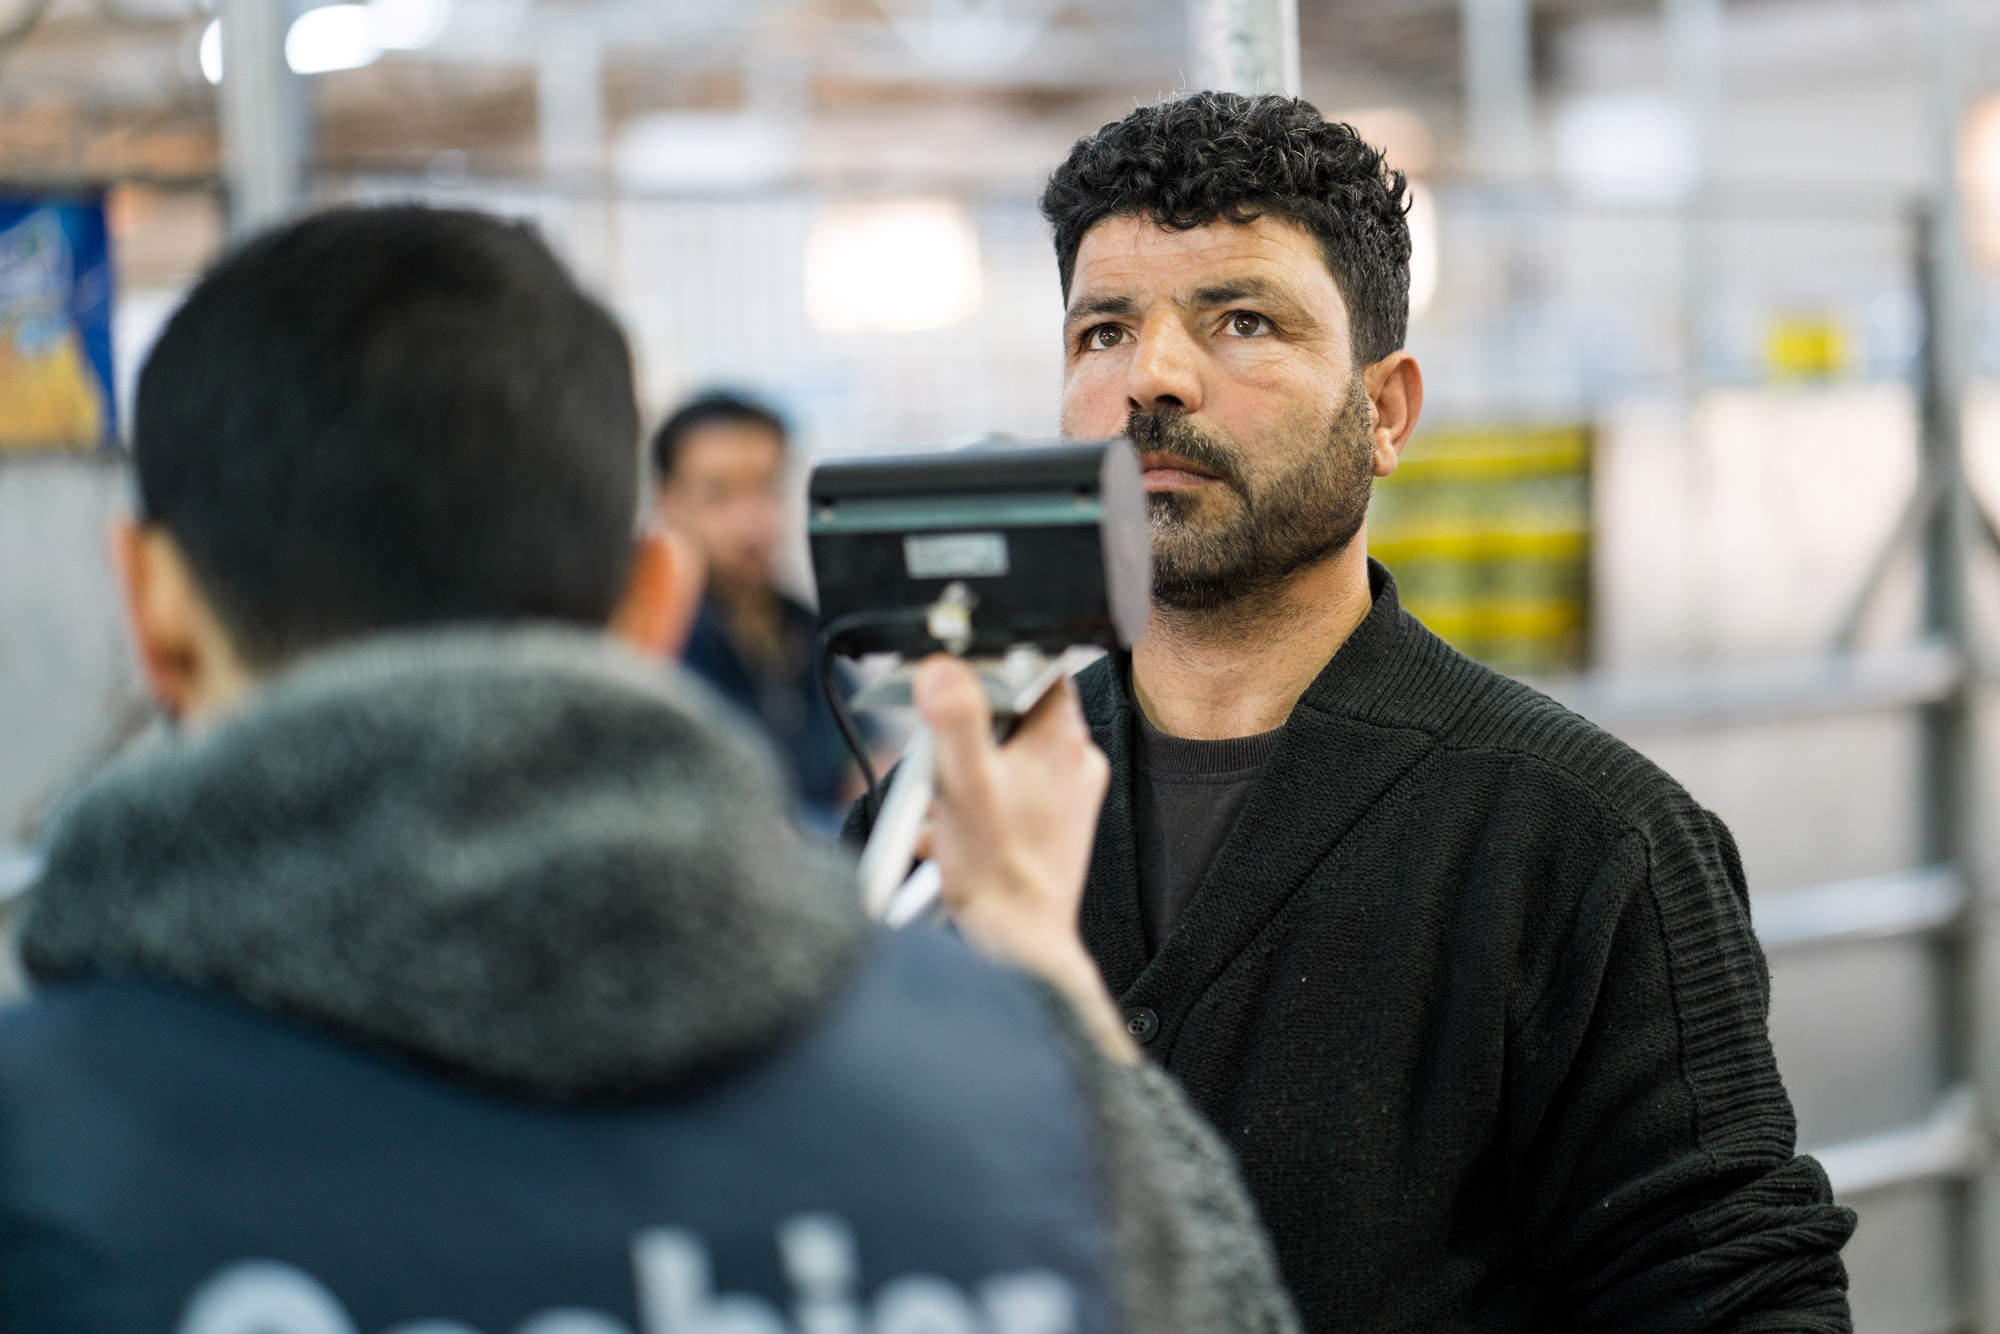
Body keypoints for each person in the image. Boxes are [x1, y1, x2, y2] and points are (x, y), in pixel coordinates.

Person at [0, 206, 1299, 1333]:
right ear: (648, 605)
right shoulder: (1018, 1109)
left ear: (153, 607)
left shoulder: (40, 1144)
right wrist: (1038, 972)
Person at [852, 93, 1856, 1330]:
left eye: (1240, 320)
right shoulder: (946, 826)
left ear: (1382, 412)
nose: (1150, 379)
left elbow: (1737, 1300)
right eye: (1102, 331)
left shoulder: (1584, 840)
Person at [653, 392, 858, 833]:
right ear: (665, 501)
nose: (751, 521)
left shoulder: (813, 631)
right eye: (717, 494)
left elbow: (863, 763)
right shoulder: (656, 649)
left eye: (765, 487)